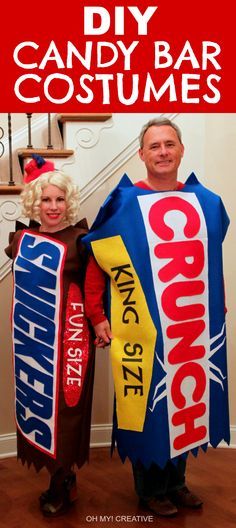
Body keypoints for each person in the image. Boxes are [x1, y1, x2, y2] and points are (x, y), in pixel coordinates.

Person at [83, 118, 230, 517]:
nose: (162, 152)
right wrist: (97, 316)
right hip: (142, 329)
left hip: (189, 323)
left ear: (181, 150)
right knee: (147, 409)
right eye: (154, 146)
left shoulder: (206, 202)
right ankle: (150, 490)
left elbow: (208, 259)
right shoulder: (124, 203)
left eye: (169, 144)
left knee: (186, 399)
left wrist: (216, 306)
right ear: (141, 154)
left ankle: (177, 482)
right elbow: (98, 263)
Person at [5, 154, 95, 517]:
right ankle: (61, 479)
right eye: (45, 199)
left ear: (68, 201)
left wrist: (100, 322)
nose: (53, 207)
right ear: (34, 202)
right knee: (39, 406)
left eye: (59, 199)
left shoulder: (83, 240)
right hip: (35, 342)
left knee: (69, 410)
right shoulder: (23, 238)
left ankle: (62, 479)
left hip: (72, 341)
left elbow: (95, 288)